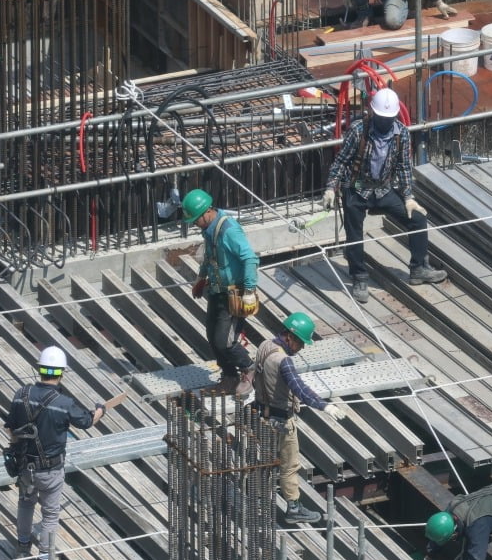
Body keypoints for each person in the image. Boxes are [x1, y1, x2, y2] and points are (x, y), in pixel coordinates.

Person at [323, 87, 448, 303]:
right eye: (381, 118)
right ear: (373, 113)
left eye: (389, 118)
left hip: (383, 189)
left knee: (417, 219)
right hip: (357, 189)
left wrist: (408, 197)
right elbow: (341, 161)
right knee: (354, 234)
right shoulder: (358, 131)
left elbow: (404, 167)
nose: (385, 122)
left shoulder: (402, 133)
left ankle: (419, 268)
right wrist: (331, 188)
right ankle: (359, 276)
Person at [5, 346, 109, 560]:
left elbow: (10, 427)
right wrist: (101, 410)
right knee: (50, 514)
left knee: (25, 504)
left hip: (24, 466)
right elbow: (86, 421)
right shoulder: (63, 402)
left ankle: (22, 549)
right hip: (50, 469)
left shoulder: (20, 394)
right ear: (61, 372)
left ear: (39, 369)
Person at [252, 312, 346, 524]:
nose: (301, 348)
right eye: (300, 343)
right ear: (290, 337)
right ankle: (293, 508)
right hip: (281, 422)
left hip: (261, 416)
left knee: (263, 463)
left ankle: (256, 501)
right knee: (289, 465)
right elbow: (300, 390)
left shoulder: (265, 345)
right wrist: (326, 406)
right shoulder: (284, 361)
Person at [184, 189, 260, 397]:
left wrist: (250, 290)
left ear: (207, 212)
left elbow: (250, 259)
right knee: (212, 336)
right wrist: (201, 278)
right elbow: (210, 257)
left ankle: (250, 369)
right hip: (217, 291)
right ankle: (229, 377)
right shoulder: (209, 231)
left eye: (195, 219)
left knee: (225, 341)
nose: (194, 224)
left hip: (234, 294)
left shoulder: (229, 230)